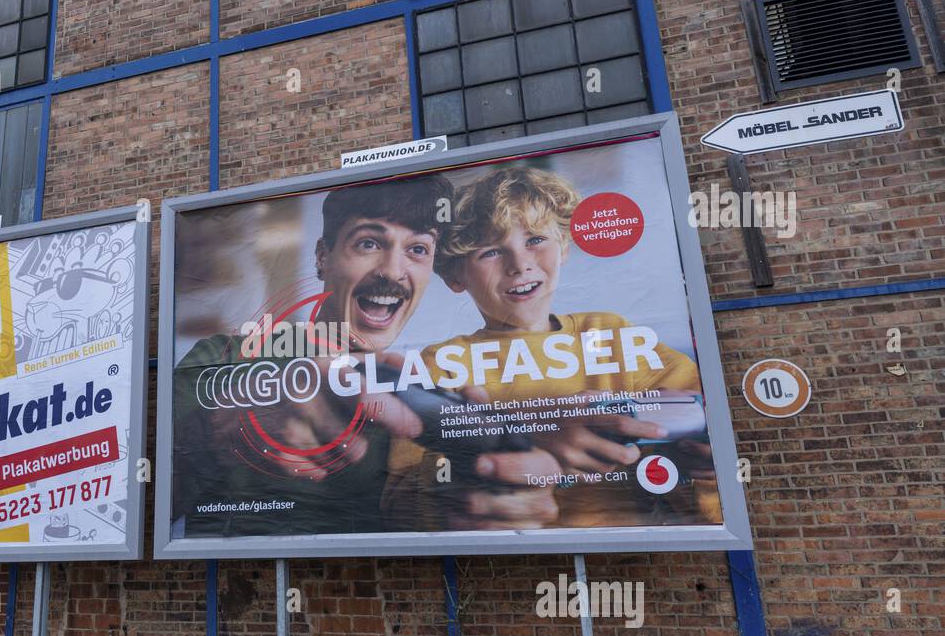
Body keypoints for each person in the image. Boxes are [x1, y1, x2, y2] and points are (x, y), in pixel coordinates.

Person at [169, 170, 562, 537]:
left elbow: (418, 518)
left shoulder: (431, 389)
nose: (392, 271)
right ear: (323, 257)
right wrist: (231, 426)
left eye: (418, 249)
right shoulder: (225, 356)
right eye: (369, 243)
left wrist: (485, 503)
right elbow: (147, 497)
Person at [383, 165, 720, 532]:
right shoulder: (439, 366)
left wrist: (702, 461)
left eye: (534, 240)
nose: (520, 264)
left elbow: (710, 441)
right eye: (491, 252)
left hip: (641, 546)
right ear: (454, 276)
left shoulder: (611, 333)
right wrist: (494, 457)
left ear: (564, 246)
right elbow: (399, 500)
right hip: (506, 563)